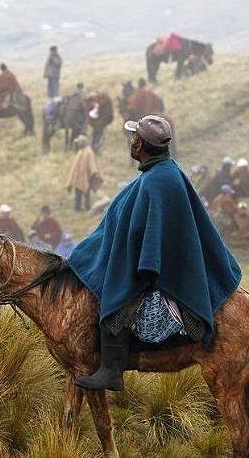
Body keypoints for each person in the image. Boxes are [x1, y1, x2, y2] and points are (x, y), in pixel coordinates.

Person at [71, 115, 241, 391]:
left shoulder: (156, 182)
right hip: (162, 264)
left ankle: (111, 370)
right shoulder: (163, 172)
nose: (131, 142)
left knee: (115, 297)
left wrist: (133, 266)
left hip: (162, 277)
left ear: (141, 145)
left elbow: (147, 239)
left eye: (134, 138)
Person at [67, 135, 101, 212]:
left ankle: (87, 207)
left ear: (83, 142)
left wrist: (95, 173)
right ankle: (77, 208)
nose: (78, 144)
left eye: (79, 142)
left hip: (86, 177)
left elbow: (92, 164)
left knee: (86, 194)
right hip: (78, 177)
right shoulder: (80, 152)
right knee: (78, 194)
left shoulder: (89, 152)